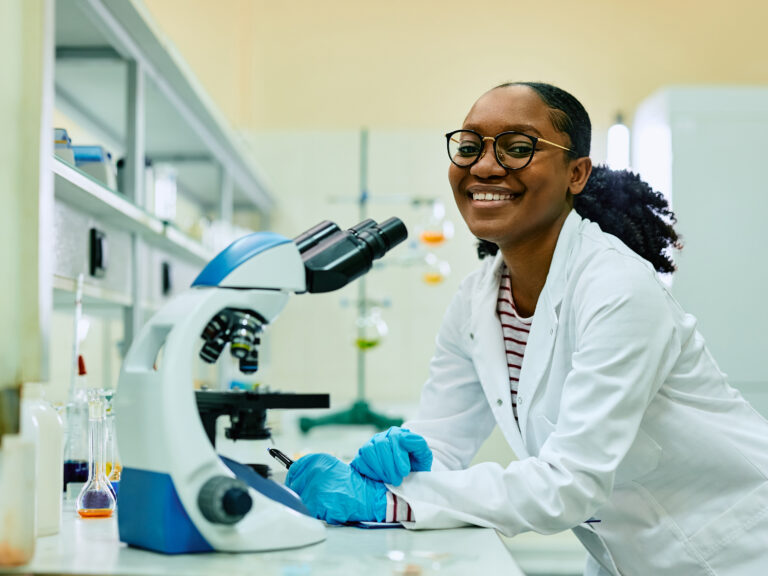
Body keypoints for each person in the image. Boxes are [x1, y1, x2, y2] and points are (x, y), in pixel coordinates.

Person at [285, 82, 768, 576]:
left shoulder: (617, 288)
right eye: (469, 147)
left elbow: (568, 485)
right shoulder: (477, 302)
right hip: (632, 558)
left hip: (741, 552)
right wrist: (406, 460)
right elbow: (443, 439)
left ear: (575, 173)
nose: (486, 166)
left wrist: (388, 503)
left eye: (518, 148)